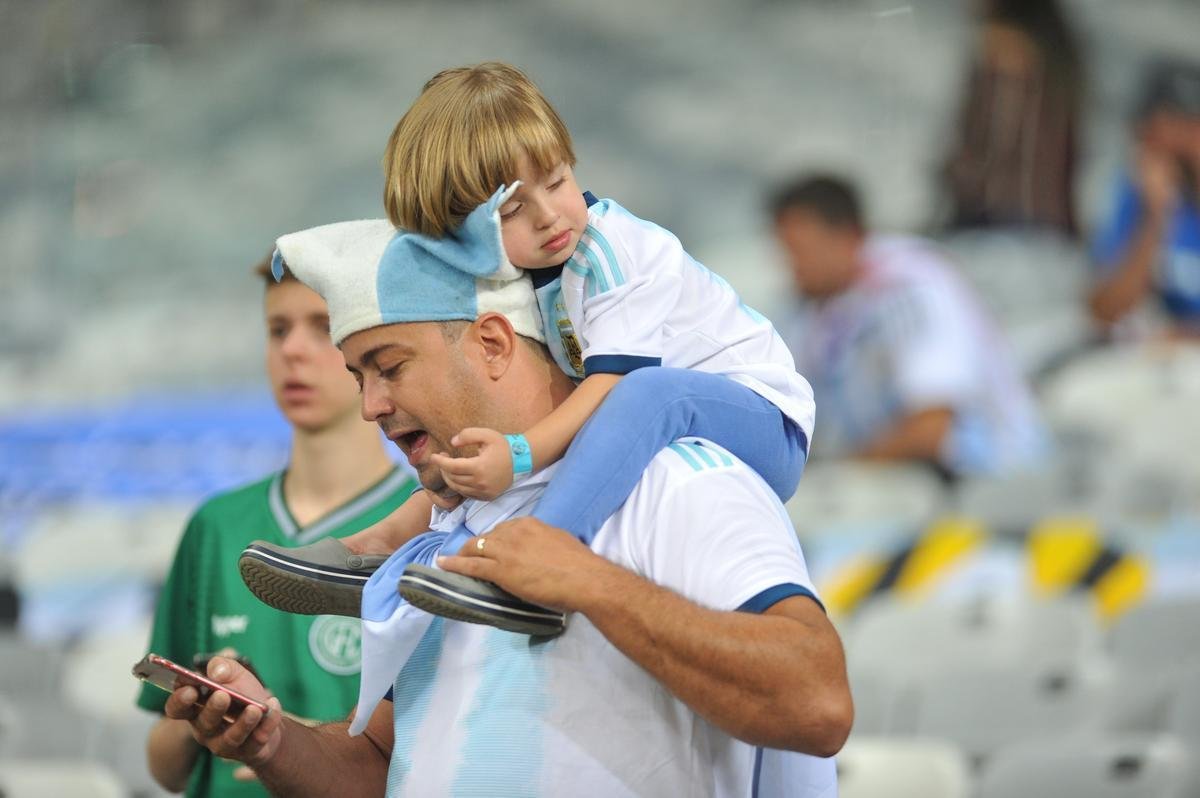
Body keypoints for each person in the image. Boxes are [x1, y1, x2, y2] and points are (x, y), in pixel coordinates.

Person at [162, 218, 850, 796]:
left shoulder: (678, 478)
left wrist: (587, 582)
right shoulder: (447, 526)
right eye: (359, 377)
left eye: (390, 367)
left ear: (492, 343)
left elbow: (817, 703)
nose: (370, 406)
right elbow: (382, 764)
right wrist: (270, 741)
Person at [241, 62, 815, 636]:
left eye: (558, 180)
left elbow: (615, 388)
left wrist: (517, 455)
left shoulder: (616, 251)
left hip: (762, 417)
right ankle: (380, 545)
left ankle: (536, 569)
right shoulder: (527, 272)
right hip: (648, 415)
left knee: (646, 394)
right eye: (511, 211)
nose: (549, 216)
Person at [138, 256, 418, 796]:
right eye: (277, 330)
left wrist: (283, 741)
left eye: (322, 328)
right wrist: (201, 718)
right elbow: (163, 769)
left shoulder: (424, 522)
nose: (292, 350)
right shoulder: (217, 525)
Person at [770, 174, 1045, 479]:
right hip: (908, 480)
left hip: (991, 481)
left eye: (801, 252)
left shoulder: (909, 287)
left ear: (848, 237)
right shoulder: (817, 306)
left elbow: (931, 429)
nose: (793, 268)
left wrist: (838, 473)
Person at [937, 0, 1084, 238]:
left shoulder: (1006, 51)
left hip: (1005, 219)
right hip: (1043, 223)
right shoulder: (1057, 54)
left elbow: (998, 143)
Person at [1088, 58, 1200, 335]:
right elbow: (1105, 310)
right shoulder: (1140, 195)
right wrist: (1156, 216)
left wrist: (1186, 337)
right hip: (1165, 365)